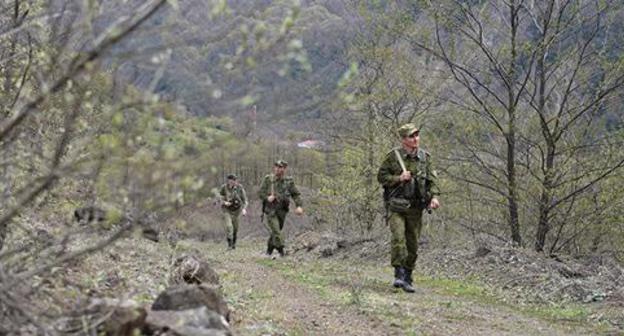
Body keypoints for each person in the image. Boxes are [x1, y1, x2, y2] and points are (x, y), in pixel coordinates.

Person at [377, 123, 440, 293]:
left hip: (416, 207)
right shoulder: (393, 157)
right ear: (403, 139)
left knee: (413, 244)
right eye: (411, 136)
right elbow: (381, 177)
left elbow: (433, 181)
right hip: (396, 205)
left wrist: (434, 197)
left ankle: (408, 276)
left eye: (417, 135)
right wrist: (398, 178)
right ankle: (398, 273)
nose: (415, 139)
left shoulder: (425, 158)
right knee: (398, 237)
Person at [258, 160, 304, 258]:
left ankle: (269, 251)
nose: (278, 169)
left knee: (276, 231)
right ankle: (282, 252)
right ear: (274, 168)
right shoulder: (268, 180)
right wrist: (267, 198)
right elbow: (260, 193)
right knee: (276, 231)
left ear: (284, 169)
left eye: (281, 167)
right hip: (271, 210)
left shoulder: (289, 181)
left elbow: (295, 194)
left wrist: (299, 205)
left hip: (282, 211)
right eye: (277, 167)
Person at [219, 174, 248, 249]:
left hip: (237, 211)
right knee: (229, 226)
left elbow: (245, 200)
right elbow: (219, 198)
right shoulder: (224, 188)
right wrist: (224, 202)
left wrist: (244, 209)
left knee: (235, 229)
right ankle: (229, 244)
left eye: (234, 180)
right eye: (231, 180)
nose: (233, 182)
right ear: (228, 181)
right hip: (227, 210)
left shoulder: (239, 188)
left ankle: (234, 243)